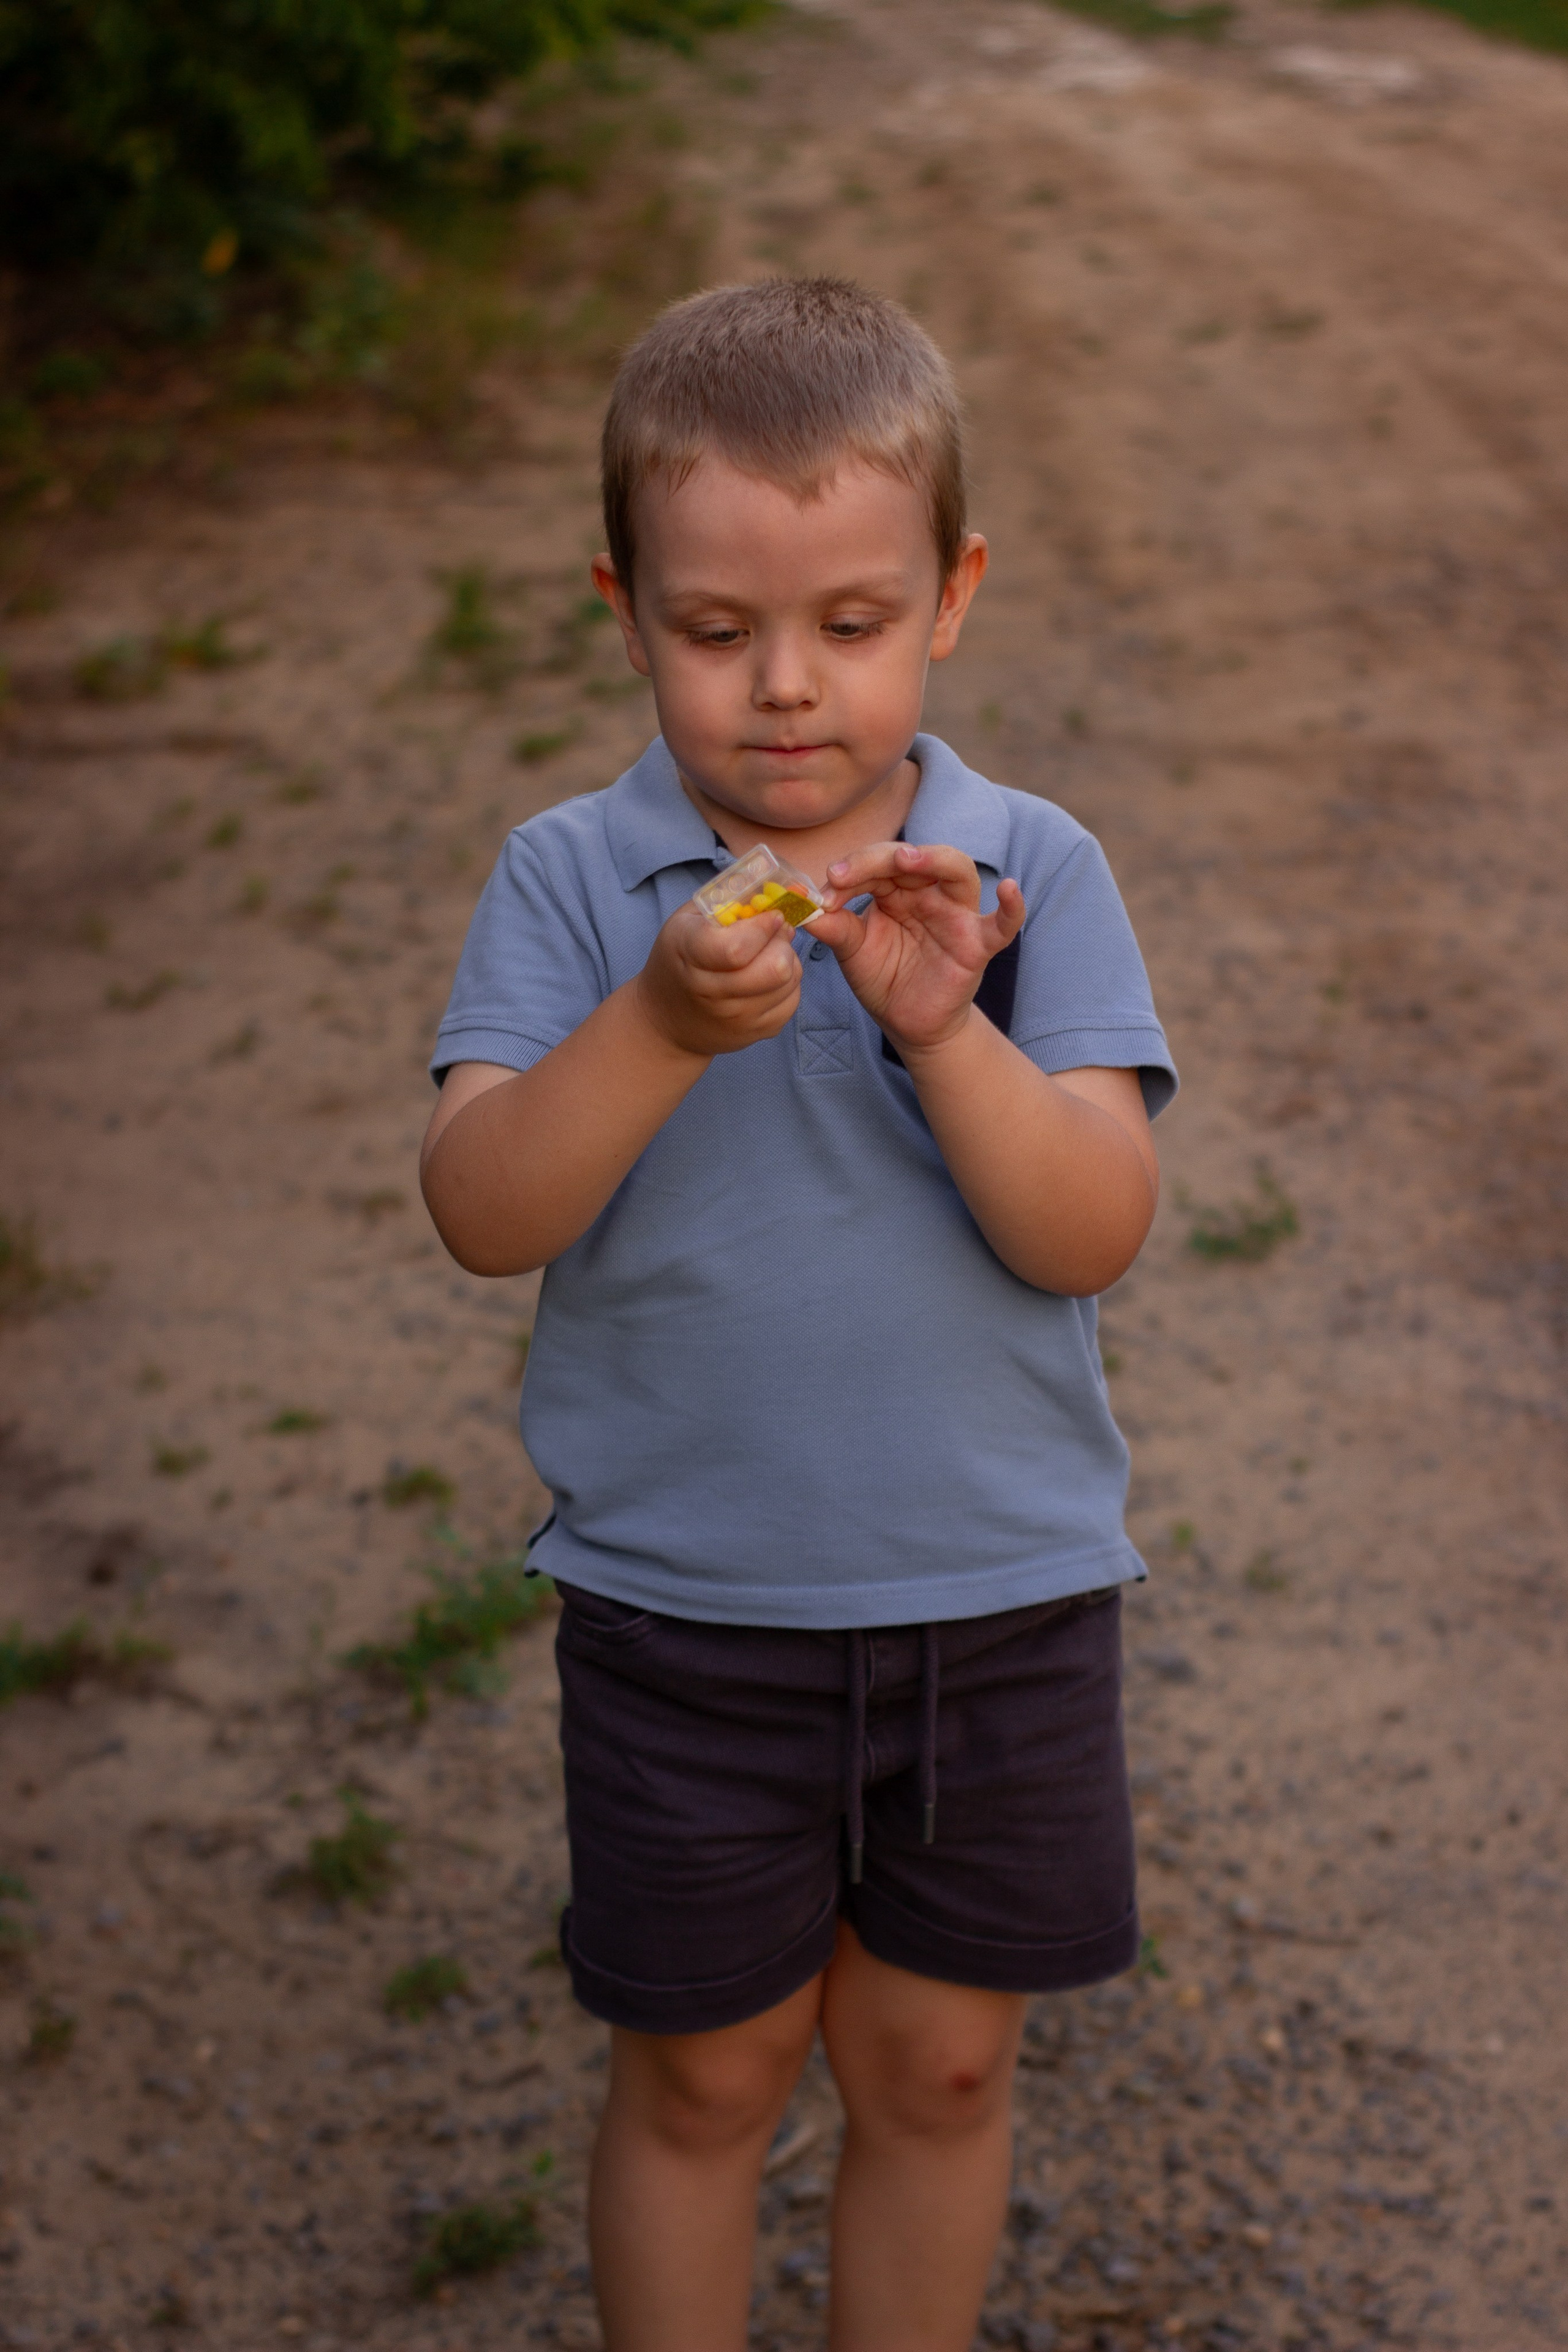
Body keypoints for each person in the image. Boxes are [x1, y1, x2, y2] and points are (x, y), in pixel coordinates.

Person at [420, 276, 1177, 2352]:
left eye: (850, 624)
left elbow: (1092, 1226)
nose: (782, 691)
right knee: (707, 2076)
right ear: (622, 604)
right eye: (714, 629)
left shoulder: (1030, 870)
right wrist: (661, 1022)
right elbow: (485, 1208)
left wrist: (949, 1037)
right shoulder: (578, 881)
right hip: (690, 1625)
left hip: (1000, 1608)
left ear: (952, 597)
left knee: (937, 2071)